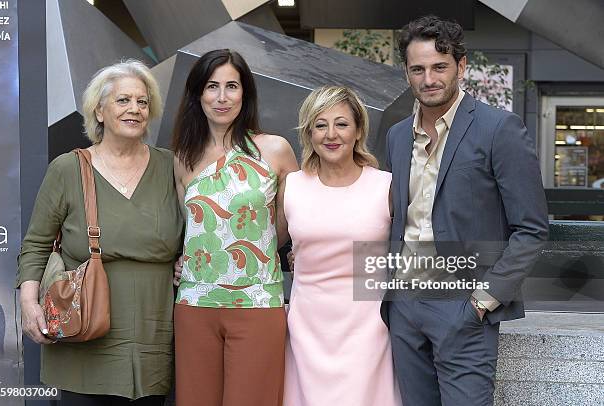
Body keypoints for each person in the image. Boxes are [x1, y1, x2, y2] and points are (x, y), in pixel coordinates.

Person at [383, 15, 549, 406]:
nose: (429, 79)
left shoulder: (499, 129)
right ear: (406, 72)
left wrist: (482, 301)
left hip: (462, 304)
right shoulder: (394, 136)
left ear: (461, 66)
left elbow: (532, 228)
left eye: (439, 66)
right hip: (403, 305)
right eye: (418, 69)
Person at [17, 60, 183, 405]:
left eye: (143, 101)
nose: (134, 109)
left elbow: (196, 230)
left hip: (155, 334)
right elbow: (36, 243)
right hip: (84, 334)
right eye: (123, 100)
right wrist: (28, 302)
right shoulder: (68, 168)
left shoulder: (172, 166)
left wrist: (187, 260)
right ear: (99, 110)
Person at [172, 49, 298, 406]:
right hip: (195, 303)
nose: (222, 97)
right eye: (212, 86)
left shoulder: (275, 150)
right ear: (198, 94)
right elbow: (189, 230)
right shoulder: (183, 158)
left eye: (232, 86)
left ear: (246, 93)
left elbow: (285, 230)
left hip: (257, 302)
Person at [282, 86, 400, 405]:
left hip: (368, 329)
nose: (331, 134)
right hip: (306, 328)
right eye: (320, 125)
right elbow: (264, 246)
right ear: (309, 132)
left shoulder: (385, 186)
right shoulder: (292, 186)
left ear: (359, 130)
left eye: (342, 124)